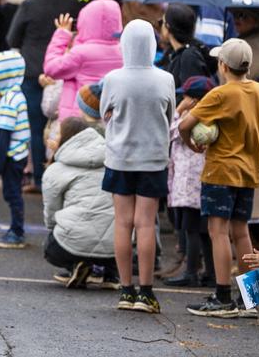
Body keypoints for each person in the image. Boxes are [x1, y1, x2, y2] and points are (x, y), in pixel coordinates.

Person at [180, 38, 259, 318]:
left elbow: (186, 124)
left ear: (222, 65)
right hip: (248, 171)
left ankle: (222, 297)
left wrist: (191, 142)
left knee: (217, 232)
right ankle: (250, 299)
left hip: (220, 170)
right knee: (241, 232)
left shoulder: (220, 94)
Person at [98, 18, 175, 314]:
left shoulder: (114, 78)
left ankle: (125, 289)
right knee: (145, 224)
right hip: (153, 158)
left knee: (123, 223)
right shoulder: (165, 78)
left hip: (120, 157)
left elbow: (105, 113)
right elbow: (169, 116)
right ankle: (146, 292)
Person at [8, 0, 80, 189]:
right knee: (64, 125)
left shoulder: (29, 5)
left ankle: (39, 177)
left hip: (32, 70)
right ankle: (63, 179)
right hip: (64, 72)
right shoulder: (73, 4)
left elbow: (13, 38)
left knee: (35, 127)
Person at [43, 119, 117, 288]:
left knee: (49, 248)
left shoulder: (56, 169)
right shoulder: (113, 161)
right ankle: (111, 275)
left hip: (73, 242)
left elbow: (51, 210)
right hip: (117, 243)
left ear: (66, 138)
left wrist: (52, 229)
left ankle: (75, 265)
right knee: (111, 227)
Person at [165, 76, 218, 288]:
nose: (183, 99)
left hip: (189, 183)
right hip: (200, 181)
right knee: (203, 231)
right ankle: (210, 273)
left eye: (186, 96)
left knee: (192, 229)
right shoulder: (212, 115)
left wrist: (178, 110)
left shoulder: (192, 116)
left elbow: (169, 132)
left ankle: (191, 272)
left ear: (194, 99)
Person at [43, 0, 123, 121]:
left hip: (81, 119)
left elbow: (51, 68)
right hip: (112, 118)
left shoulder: (80, 53)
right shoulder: (123, 51)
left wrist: (62, 34)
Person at [0, 50, 30, 249]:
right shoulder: (16, 96)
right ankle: (16, 229)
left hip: (10, 157)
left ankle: (16, 231)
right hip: (16, 154)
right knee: (12, 193)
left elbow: (4, 133)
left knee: (12, 193)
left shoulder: (10, 101)